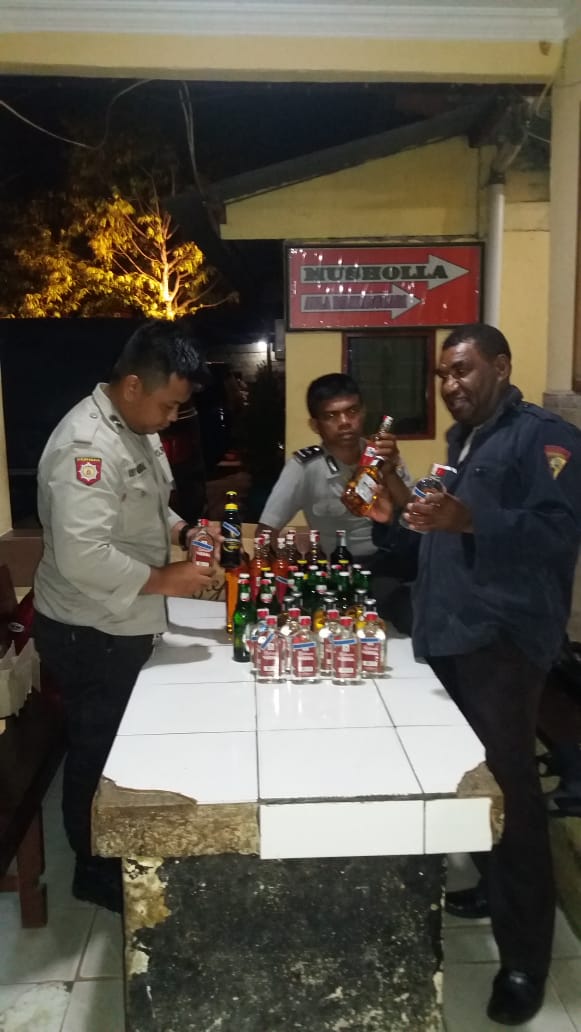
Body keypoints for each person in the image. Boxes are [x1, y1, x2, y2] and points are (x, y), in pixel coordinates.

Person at [372, 323, 581, 1026]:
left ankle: (525, 960)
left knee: (513, 795)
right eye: (442, 374)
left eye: (462, 369)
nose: (450, 384)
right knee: (473, 779)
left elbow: (558, 532)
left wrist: (469, 519)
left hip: (502, 646)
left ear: (500, 366)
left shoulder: (542, 439)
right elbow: (430, 528)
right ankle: (492, 888)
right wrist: (396, 484)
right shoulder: (465, 442)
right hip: (452, 639)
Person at [33, 320, 219, 912]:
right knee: (97, 750)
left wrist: (185, 532)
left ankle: (121, 850)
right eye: (168, 405)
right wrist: (167, 579)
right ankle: (92, 871)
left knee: (119, 743)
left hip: (122, 620)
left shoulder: (135, 427)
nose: (172, 418)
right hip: (89, 629)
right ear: (133, 385)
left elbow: (148, 508)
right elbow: (83, 555)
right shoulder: (86, 447)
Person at [257, 373, 416, 631]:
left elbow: (414, 517)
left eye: (352, 411)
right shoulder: (304, 467)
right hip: (338, 573)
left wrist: (389, 471)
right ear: (315, 425)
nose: (345, 422)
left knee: (420, 609)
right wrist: (287, 569)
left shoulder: (382, 453)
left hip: (394, 564)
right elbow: (265, 533)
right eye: (331, 416)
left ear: (363, 412)